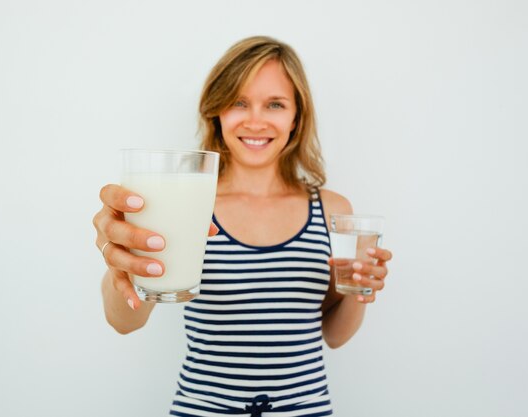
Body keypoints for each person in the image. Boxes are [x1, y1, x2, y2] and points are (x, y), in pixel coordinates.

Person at [93, 36, 393, 416]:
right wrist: (121, 260)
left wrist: (359, 287)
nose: (255, 120)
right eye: (238, 102)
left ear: (296, 117)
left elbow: (334, 335)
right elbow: (124, 323)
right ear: (216, 111)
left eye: (275, 104)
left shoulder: (331, 209)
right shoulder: (188, 203)